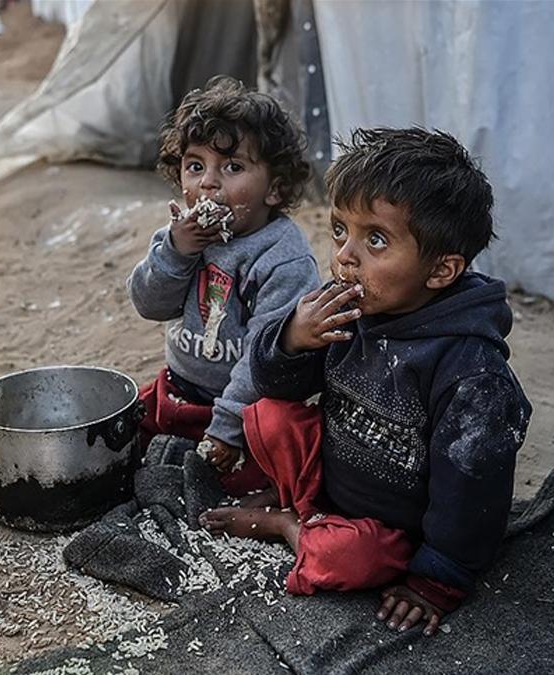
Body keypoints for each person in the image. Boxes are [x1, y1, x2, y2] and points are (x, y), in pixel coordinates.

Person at [200, 127, 532, 636]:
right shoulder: (351, 306)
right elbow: (276, 386)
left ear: (441, 270)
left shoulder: (472, 375)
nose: (344, 256)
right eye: (340, 230)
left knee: (349, 559)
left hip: (392, 529)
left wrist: (437, 579)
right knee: (268, 416)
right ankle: (299, 501)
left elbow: (470, 492)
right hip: (332, 481)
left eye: (375, 239)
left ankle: (289, 523)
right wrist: (292, 338)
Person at [127, 76, 320, 493]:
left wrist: (227, 427)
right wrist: (176, 252)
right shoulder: (181, 237)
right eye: (195, 166)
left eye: (232, 167)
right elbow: (148, 303)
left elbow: (262, 358)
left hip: (247, 403)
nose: (208, 183)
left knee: (261, 459)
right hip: (180, 387)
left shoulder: (281, 259)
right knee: (122, 432)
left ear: (275, 189)